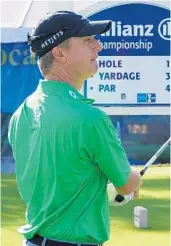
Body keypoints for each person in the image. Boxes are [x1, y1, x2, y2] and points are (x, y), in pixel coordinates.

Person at [8, 10, 141, 246]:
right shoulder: (90, 119)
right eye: (87, 40)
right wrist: (134, 178)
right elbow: (126, 184)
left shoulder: (21, 114)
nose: (97, 46)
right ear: (59, 53)